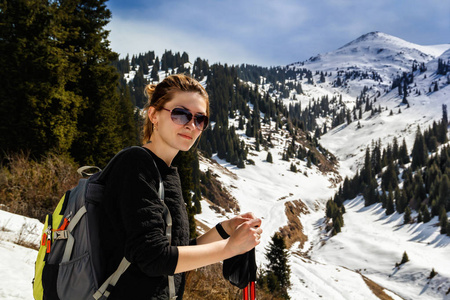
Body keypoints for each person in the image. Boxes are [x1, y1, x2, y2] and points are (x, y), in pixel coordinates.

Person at [99, 74, 263, 299]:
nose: (191, 125)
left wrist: (224, 230)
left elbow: (176, 251)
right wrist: (231, 248)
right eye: (180, 114)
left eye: (199, 119)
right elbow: (153, 258)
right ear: (154, 115)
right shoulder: (135, 165)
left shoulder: (167, 174)